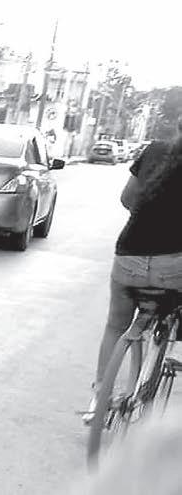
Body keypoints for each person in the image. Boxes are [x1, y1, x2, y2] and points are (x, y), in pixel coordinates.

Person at [84, 119, 182, 421]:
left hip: (129, 257)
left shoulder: (154, 151)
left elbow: (127, 199)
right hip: (173, 267)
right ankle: (174, 352)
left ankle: (99, 398)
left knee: (116, 325)